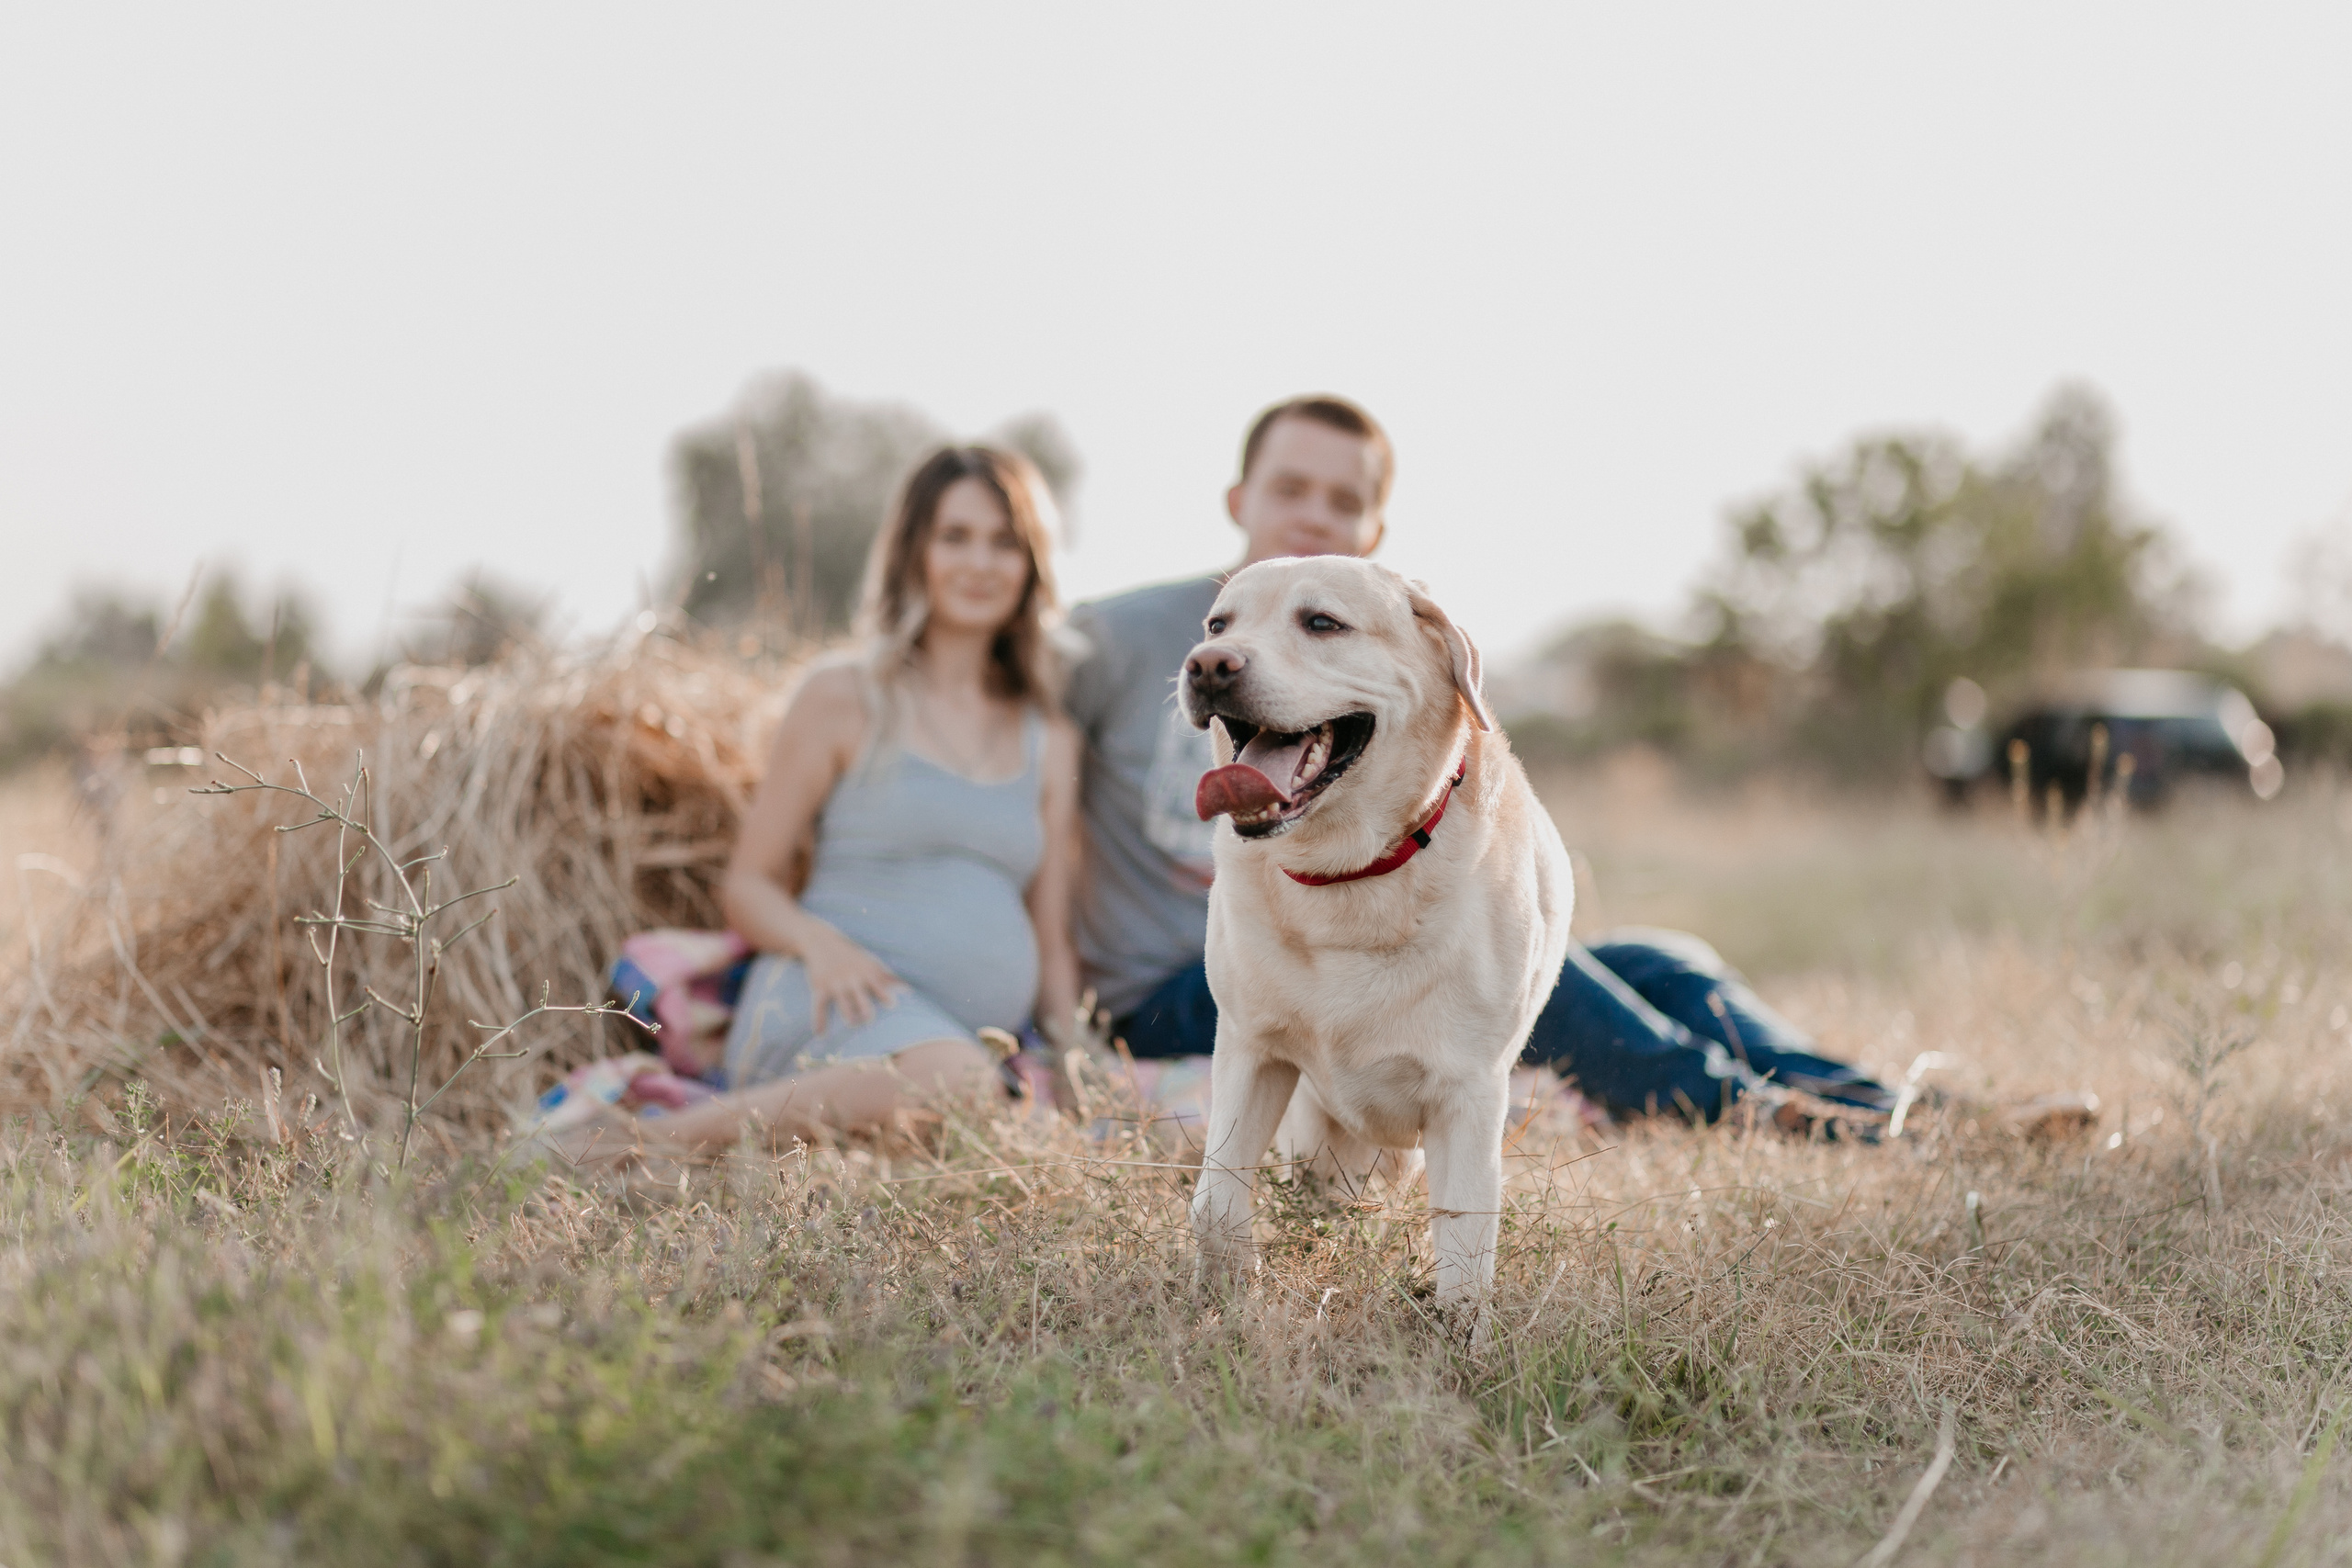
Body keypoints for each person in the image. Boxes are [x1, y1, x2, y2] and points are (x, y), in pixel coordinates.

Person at [1062, 395, 1895, 1129]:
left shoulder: (1373, 647)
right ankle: (1760, 1115)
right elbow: (1015, 769)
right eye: (1290, 488)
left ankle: (1876, 1102)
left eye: (1344, 500)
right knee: (1538, 979)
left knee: (1657, 962)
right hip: (1191, 982)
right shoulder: (1125, 635)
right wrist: (1055, 1016)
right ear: (1239, 499)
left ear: (1373, 532)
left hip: (1355, 940)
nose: (1314, 514)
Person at [569, 445, 1082, 1162]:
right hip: (829, 1002)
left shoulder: (1048, 737)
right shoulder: (842, 696)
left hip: (954, 1041)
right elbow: (748, 886)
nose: (980, 562)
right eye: (955, 536)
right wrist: (821, 945)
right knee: (962, 1083)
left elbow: (1050, 939)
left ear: (1031, 564)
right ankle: (635, 1148)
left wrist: (1075, 1063)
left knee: (964, 1084)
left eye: (1004, 542)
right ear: (914, 551)